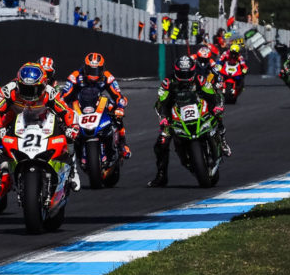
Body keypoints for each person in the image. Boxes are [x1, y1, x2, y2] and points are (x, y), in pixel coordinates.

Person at [0, 62, 79, 188]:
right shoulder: (9, 89)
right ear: (18, 84)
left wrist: (72, 126)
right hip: (15, 120)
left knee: (69, 133)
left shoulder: (50, 92)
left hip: (44, 121)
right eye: (25, 88)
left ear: (43, 85)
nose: (29, 94)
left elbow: (66, 111)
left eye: (33, 89)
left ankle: (72, 170)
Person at [149, 54, 230, 187]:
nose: (185, 77)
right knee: (161, 142)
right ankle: (161, 176)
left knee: (217, 113)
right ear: (176, 71)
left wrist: (217, 106)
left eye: (188, 74)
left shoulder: (200, 79)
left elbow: (212, 94)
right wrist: (163, 118)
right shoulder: (168, 82)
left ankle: (222, 138)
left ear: (193, 70)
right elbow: (161, 103)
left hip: (199, 109)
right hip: (175, 114)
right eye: (182, 74)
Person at [59, 52, 131, 159]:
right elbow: (63, 96)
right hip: (78, 104)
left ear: (102, 69)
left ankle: (122, 143)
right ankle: (64, 147)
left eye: (97, 70)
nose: (94, 74)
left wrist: (120, 106)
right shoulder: (75, 76)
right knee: (62, 119)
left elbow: (117, 95)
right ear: (85, 67)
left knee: (116, 112)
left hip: (98, 103)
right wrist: (62, 109)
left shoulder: (107, 77)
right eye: (91, 70)